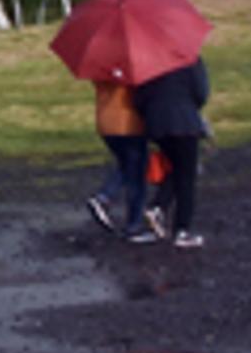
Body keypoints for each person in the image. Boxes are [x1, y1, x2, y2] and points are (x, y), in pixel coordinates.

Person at [124, 56, 211, 249]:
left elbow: (138, 99)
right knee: (187, 176)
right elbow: (201, 93)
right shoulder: (190, 59)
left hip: (156, 125)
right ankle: (182, 230)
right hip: (184, 122)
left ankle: (158, 206)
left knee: (178, 169)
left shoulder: (145, 62)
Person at [84, 76, 150, 236]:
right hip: (129, 124)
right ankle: (133, 224)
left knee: (127, 165)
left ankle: (105, 197)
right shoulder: (132, 70)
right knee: (136, 173)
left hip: (106, 123)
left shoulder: (101, 68)